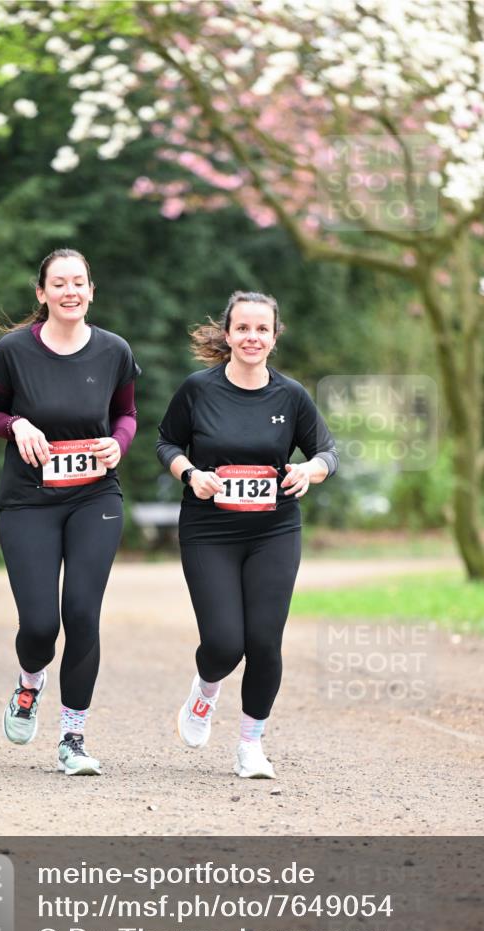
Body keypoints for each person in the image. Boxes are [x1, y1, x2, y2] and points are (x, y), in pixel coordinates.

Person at [156, 291, 338, 779]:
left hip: (274, 529)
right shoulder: (198, 389)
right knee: (222, 643)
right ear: (228, 333)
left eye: (262, 329)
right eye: (243, 328)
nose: (252, 337)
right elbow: (166, 441)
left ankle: (250, 745)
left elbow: (327, 451)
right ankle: (206, 691)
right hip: (209, 529)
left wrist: (312, 470)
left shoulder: (291, 396)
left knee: (263, 642)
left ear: (274, 337)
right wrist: (190, 472)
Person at [0, 248, 140, 776]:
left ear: (91, 291)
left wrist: (119, 442)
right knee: (41, 626)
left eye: (79, 283)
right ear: (42, 293)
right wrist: (16, 425)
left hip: (95, 496)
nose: (70, 291)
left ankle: (73, 736)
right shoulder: (13, 351)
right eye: (59, 283)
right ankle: (29, 684)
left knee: (83, 614)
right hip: (28, 501)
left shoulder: (114, 350)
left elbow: (127, 413)